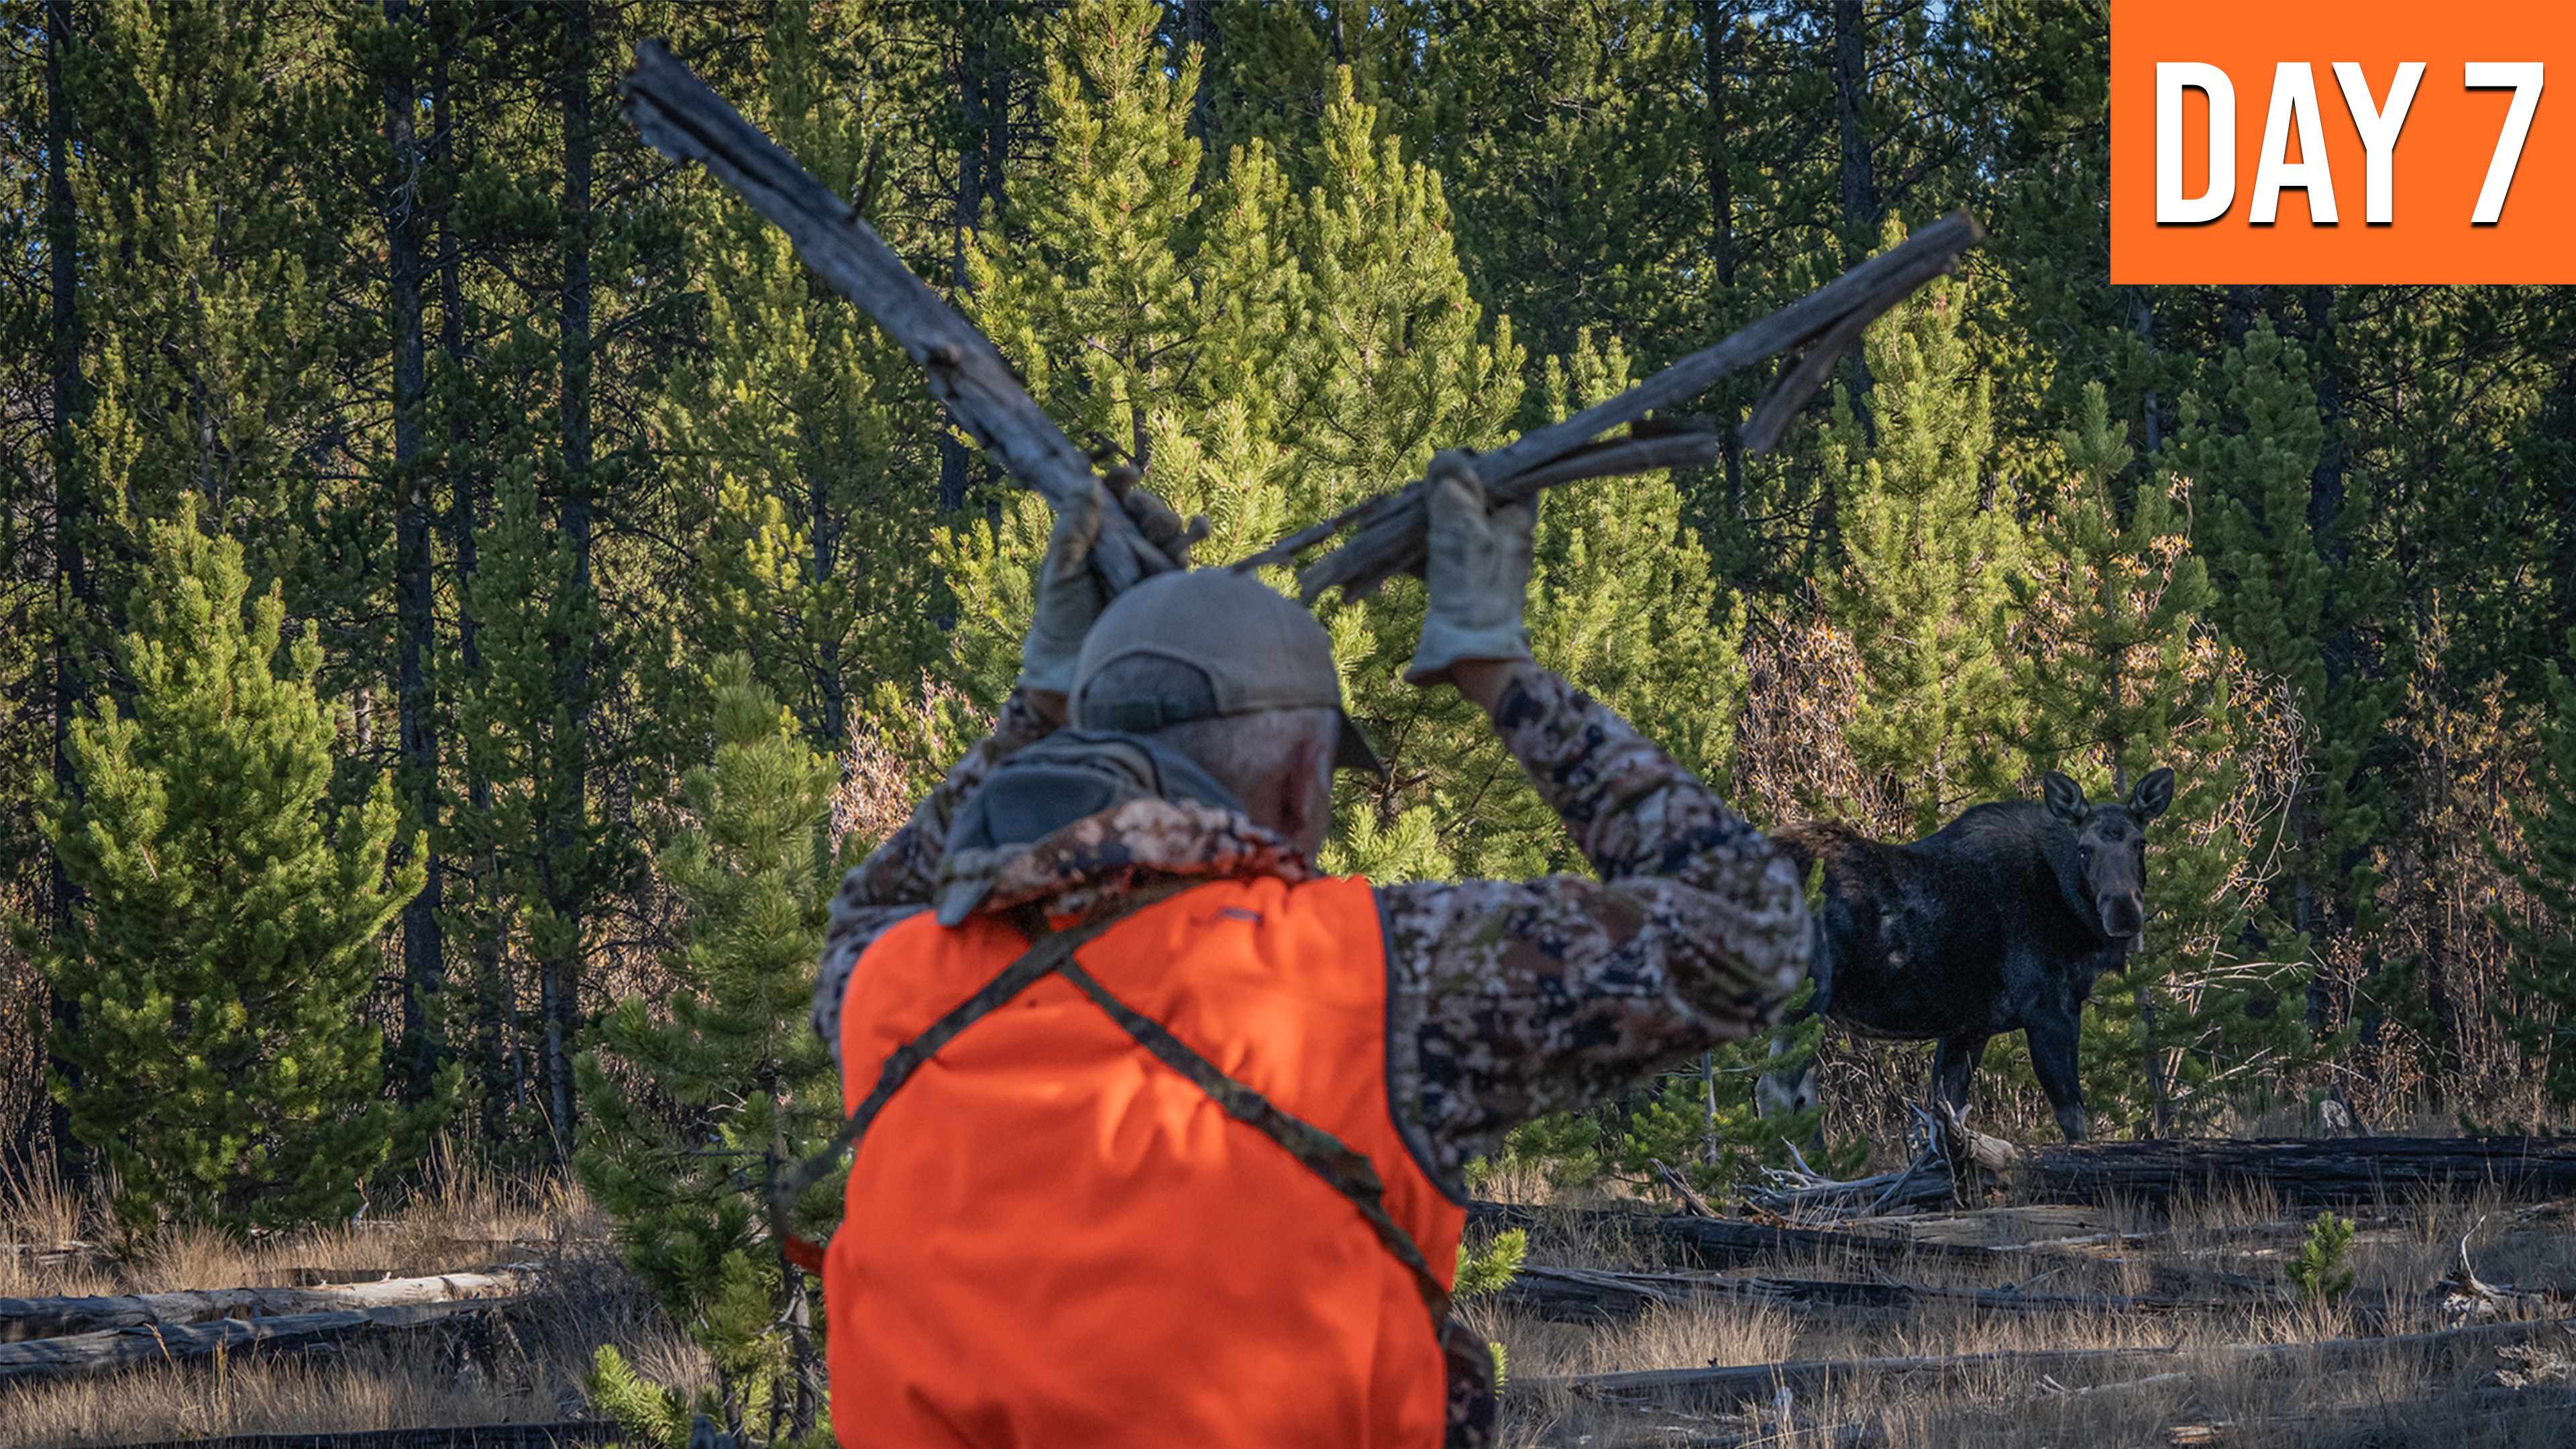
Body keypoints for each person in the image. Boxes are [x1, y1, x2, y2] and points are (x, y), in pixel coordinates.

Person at [811, 455, 1812, 1448]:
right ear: (1300, 783)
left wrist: (1038, 704)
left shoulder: (894, 983)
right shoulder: (1379, 978)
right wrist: (1496, 669)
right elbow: (1754, 932)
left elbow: (874, 905)